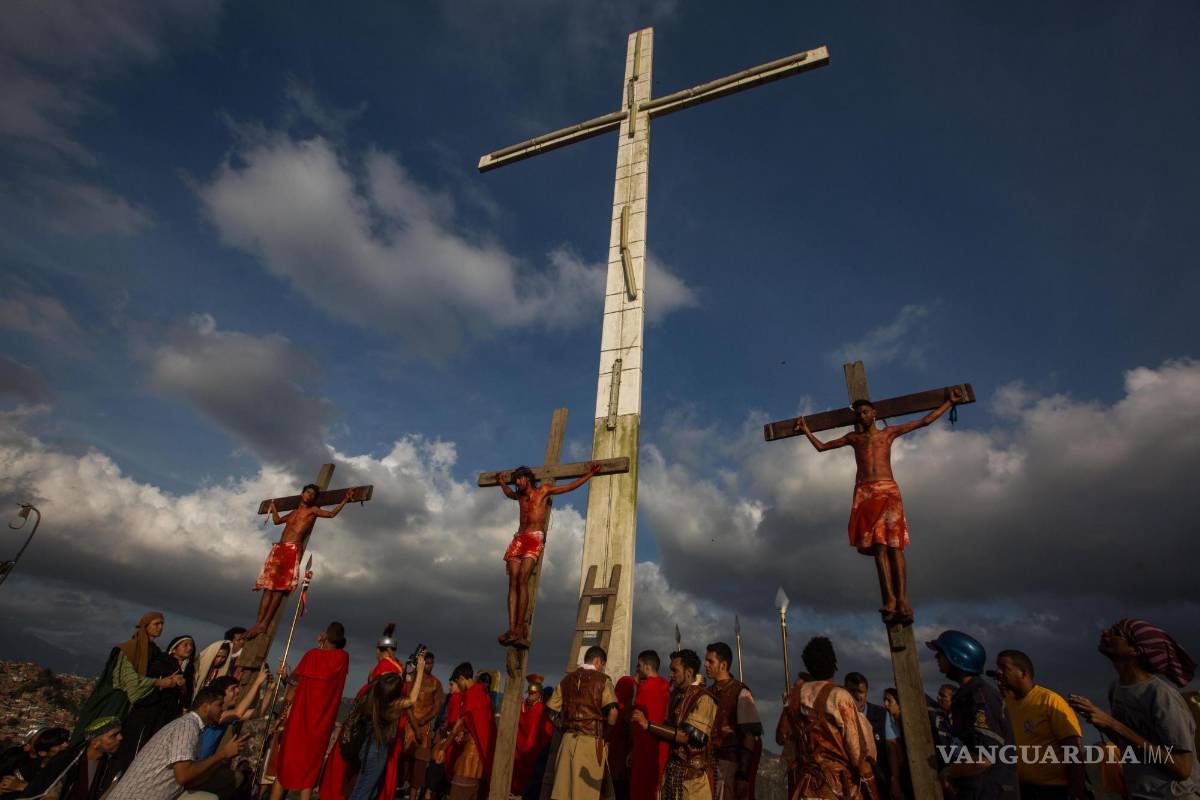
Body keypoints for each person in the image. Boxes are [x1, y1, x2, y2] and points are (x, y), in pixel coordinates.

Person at [796, 389, 962, 623]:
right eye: (859, 414)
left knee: (895, 546)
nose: (862, 416)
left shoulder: (888, 434)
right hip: (866, 493)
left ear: (874, 413)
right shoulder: (854, 439)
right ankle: (891, 599)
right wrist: (805, 431)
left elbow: (924, 421)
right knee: (879, 548)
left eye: (865, 412)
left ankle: (903, 599)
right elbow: (823, 447)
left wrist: (949, 403)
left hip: (887, 490)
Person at [1068, 618, 1199, 799]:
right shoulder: (1116, 689)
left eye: (1116, 633)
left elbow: (1182, 768)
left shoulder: (1161, 695)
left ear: (1135, 650)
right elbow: (1129, 745)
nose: (1105, 634)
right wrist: (1101, 723)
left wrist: (1112, 724)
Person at [495, 463, 601, 647]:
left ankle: (520, 627)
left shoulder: (542, 491)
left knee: (522, 579)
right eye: (515, 480)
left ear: (527, 478)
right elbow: (508, 493)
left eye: (519, 479)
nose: (517, 483)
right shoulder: (519, 496)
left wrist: (589, 475)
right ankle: (512, 628)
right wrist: (500, 482)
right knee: (512, 580)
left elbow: (567, 487)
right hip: (519, 538)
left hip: (534, 537)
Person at [248, 485, 356, 639]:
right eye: (308, 492)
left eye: (312, 494)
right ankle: (258, 624)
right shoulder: (293, 513)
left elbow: (331, 514)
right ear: (302, 493)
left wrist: (345, 499)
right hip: (278, 549)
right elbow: (278, 520)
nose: (309, 496)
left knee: (278, 589)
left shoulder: (312, 511)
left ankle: (264, 624)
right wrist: (273, 508)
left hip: (291, 550)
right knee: (267, 588)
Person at [106, 684, 246, 800]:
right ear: (205, 707)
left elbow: (192, 781)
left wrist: (222, 759)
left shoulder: (193, 728)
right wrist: (221, 755)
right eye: (219, 705)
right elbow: (184, 775)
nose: (222, 710)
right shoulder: (187, 727)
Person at [926, 630, 1018, 800]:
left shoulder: (980, 697)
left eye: (941, 653)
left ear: (957, 657)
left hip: (990, 792)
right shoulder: (965, 695)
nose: (936, 658)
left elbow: (983, 759)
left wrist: (947, 773)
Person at [269, 621, 351, 800]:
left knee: (284, 771)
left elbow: (293, 683)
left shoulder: (311, 655)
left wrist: (320, 645)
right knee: (309, 774)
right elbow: (331, 657)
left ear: (326, 636)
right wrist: (325, 643)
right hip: (320, 726)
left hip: (298, 721)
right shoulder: (343, 659)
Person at [71, 612, 184, 743]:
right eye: (156, 624)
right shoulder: (130, 648)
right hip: (117, 700)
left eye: (162, 624)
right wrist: (158, 682)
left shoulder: (155, 651)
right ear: (146, 626)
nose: (160, 627)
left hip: (134, 706)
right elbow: (129, 679)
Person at [990, 650, 1086, 800]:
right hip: (1021, 789)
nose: (998, 672)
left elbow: (1073, 749)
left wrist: (1076, 793)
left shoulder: (1050, 701)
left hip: (1053, 792)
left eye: (1004, 667)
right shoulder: (1007, 704)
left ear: (1023, 672)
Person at [789, 637, 877, 800]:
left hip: (806, 787)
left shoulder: (794, 696)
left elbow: (782, 737)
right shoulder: (840, 697)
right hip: (839, 788)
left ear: (808, 666)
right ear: (834, 665)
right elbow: (857, 754)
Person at [631, 649, 717, 800]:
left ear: (689, 672)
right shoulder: (675, 697)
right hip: (672, 773)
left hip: (693, 780)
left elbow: (686, 737)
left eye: (674, 670)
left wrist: (649, 725)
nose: (670, 674)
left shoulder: (704, 699)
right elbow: (667, 728)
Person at [339, 654, 427, 800]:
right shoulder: (389, 706)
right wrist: (420, 671)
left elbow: (384, 677)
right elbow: (411, 700)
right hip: (377, 750)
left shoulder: (372, 695)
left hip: (365, 748)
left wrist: (405, 672)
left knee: (365, 788)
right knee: (363, 792)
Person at [546, 646, 619, 800]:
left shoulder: (566, 680)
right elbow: (613, 712)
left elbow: (551, 709)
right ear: (598, 661)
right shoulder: (603, 681)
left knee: (563, 793)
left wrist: (562, 725)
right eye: (602, 664)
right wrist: (605, 735)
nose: (602, 668)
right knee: (586, 793)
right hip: (591, 743)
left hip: (567, 741)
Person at [114, 634, 195, 772]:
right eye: (185, 645)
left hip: (167, 716)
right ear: (174, 649)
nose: (189, 648)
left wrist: (182, 687)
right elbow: (149, 683)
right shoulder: (162, 662)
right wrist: (166, 682)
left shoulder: (189, 670)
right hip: (149, 712)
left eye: (191, 645)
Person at [704, 642, 762, 800]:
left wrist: (742, 774)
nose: (706, 665)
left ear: (723, 665)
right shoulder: (706, 693)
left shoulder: (740, 692)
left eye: (710, 661)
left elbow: (750, 735)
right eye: (706, 661)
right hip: (706, 764)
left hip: (729, 766)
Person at [16, 717, 123, 800]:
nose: (120, 738)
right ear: (95, 743)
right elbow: (51, 789)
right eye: (114, 735)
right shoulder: (68, 761)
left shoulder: (110, 765)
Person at [444, 663, 496, 800]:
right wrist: (464, 735)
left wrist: (443, 748)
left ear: (462, 678)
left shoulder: (472, 693)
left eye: (456, 683)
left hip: (471, 755)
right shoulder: (484, 695)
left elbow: (459, 724)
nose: (458, 687)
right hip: (481, 754)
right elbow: (475, 727)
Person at [843, 672, 893, 799]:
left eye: (860, 691)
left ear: (867, 692)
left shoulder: (881, 714)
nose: (856, 695)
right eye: (851, 691)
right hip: (850, 785)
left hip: (879, 782)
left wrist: (894, 780)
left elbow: (891, 748)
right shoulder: (838, 717)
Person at [629, 651, 670, 800]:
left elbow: (634, 717)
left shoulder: (644, 689)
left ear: (646, 666)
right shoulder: (666, 688)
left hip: (644, 747)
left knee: (641, 791)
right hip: (661, 746)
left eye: (639, 665)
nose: (638, 669)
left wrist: (635, 687)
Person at [406, 651, 446, 800]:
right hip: (408, 727)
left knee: (419, 767)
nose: (430, 666)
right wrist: (415, 725)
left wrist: (424, 721)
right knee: (403, 762)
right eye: (427, 663)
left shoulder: (436, 683)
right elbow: (407, 703)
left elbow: (436, 707)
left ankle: (412, 797)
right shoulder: (412, 679)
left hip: (425, 729)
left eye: (432, 663)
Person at [512, 674, 555, 797]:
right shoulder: (523, 706)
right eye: (529, 693)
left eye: (533, 693)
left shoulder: (540, 708)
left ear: (539, 695)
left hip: (534, 746)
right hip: (520, 745)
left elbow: (545, 730)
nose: (530, 695)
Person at [0, 728, 70, 796]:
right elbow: (6, 785)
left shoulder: (63, 769)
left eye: (66, 741)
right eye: (58, 743)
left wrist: (24, 786)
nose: (65, 745)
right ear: (42, 752)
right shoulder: (27, 766)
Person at [775, 672, 812, 799]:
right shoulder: (791, 711)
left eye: (796, 688)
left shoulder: (813, 714)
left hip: (811, 771)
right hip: (796, 769)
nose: (792, 690)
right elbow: (780, 738)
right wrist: (787, 708)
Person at [880, 689, 911, 800]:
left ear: (900, 703)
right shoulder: (889, 719)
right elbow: (891, 746)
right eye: (884, 700)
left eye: (889, 700)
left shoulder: (910, 722)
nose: (885, 704)